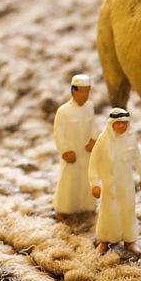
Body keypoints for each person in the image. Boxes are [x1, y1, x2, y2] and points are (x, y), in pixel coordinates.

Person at [89, 108, 141, 254]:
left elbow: (138, 158)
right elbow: (93, 163)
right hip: (109, 184)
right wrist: (94, 184)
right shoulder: (103, 140)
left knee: (128, 209)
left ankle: (130, 241)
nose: (122, 126)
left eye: (124, 123)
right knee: (108, 211)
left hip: (126, 183)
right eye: (118, 123)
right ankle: (105, 240)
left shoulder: (130, 139)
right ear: (112, 124)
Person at [52, 74, 97, 220]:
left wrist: (93, 140)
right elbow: (58, 134)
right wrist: (64, 151)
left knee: (86, 180)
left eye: (87, 91)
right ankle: (63, 209)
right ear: (73, 91)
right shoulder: (63, 111)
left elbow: (93, 126)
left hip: (86, 153)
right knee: (68, 180)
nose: (85, 95)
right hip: (72, 153)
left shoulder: (90, 107)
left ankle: (86, 206)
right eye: (82, 91)